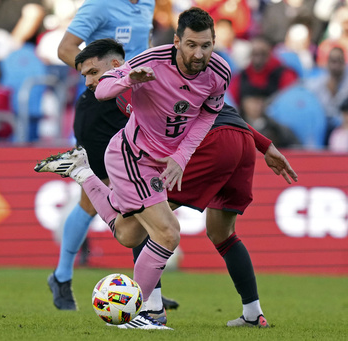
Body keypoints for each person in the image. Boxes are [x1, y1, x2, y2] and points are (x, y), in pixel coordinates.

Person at [35, 40, 298, 329]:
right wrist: (264, 145)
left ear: (114, 66)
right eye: (85, 76)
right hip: (240, 143)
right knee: (221, 232)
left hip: (209, 148)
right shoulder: (157, 78)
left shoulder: (140, 85)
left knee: (138, 228)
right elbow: (215, 109)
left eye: (92, 73)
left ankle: (150, 310)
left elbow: (189, 119)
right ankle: (252, 313)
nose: (89, 82)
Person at [38, 7, 231, 330]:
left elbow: (207, 116)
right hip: (130, 155)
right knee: (168, 232)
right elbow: (100, 89)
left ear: (214, 42)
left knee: (130, 235)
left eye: (206, 45)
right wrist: (128, 78)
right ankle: (142, 311)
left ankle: (82, 172)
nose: (199, 54)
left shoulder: (220, 72)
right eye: (191, 45)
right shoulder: (150, 60)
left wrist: (181, 156)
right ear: (176, 41)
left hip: (158, 158)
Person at [45, 0, 159, 314]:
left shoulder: (147, 4)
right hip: (100, 109)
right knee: (93, 199)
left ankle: (149, 290)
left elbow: (141, 48)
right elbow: (66, 48)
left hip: (132, 106)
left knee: (141, 194)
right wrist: (105, 78)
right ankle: (62, 275)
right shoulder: (99, 5)